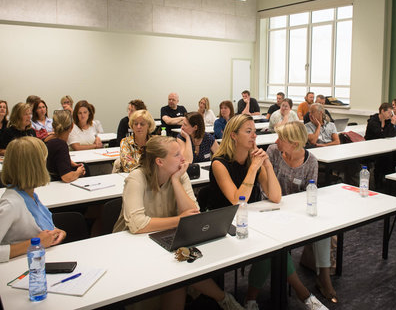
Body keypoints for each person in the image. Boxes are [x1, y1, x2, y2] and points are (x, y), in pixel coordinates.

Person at [113, 136, 244, 310]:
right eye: (176, 155)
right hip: (132, 242)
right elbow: (138, 224)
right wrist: (179, 220)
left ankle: (224, 300)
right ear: (159, 161)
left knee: (182, 268)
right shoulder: (137, 178)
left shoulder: (179, 175)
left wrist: (175, 181)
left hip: (162, 234)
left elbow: (193, 213)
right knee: (180, 268)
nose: (183, 159)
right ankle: (224, 299)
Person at [208, 116, 324, 309]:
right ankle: (302, 293)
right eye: (248, 131)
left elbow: (276, 196)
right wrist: (253, 168)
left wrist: (267, 166)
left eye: (254, 131)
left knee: (273, 245)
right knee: (271, 247)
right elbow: (238, 201)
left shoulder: (253, 160)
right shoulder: (219, 163)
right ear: (233, 136)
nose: (254, 135)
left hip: (251, 221)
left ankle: (252, 300)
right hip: (225, 225)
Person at [267, 121, 336, 305]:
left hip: (296, 211)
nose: (277, 141)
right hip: (271, 208)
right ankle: (300, 286)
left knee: (323, 228)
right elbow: (265, 185)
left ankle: (324, 276)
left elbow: (310, 192)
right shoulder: (273, 151)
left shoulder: (311, 161)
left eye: (281, 138)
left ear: (295, 144)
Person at [0, 137, 66, 263]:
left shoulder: (30, 195)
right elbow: (38, 239)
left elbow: (42, 230)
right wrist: (35, 243)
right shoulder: (11, 204)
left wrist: (59, 233)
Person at [46, 110, 86, 182]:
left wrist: (68, 162)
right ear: (72, 126)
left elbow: (55, 158)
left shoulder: (48, 140)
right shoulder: (61, 145)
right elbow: (67, 177)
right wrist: (78, 172)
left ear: (53, 125)